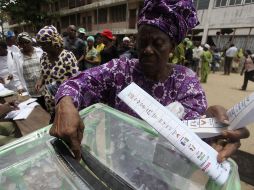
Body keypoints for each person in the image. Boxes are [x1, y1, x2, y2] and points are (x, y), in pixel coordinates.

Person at [51, 0, 249, 163]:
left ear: (172, 46)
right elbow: (79, 83)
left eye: (157, 43)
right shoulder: (120, 71)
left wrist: (216, 130)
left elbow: (192, 134)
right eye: (142, 42)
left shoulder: (185, 81)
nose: (147, 49)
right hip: (118, 166)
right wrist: (66, 102)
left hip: (163, 175)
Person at [35, 25, 79, 119]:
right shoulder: (44, 57)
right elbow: (44, 72)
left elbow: (75, 79)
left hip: (65, 101)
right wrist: (40, 80)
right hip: (50, 102)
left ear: (53, 41)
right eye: (40, 45)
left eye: (44, 44)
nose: (42, 48)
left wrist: (62, 83)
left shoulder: (67, 56)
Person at [12, 32, 43, 97]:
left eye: (26, 42)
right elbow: (15, 73)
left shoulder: (40, 51)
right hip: (29, 90)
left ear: (30, 41)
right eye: (21, 43)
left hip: (43, 87)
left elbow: (45, 68)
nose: (24, 44)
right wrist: (19, 87)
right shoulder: (17, 56)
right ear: (19, 44)